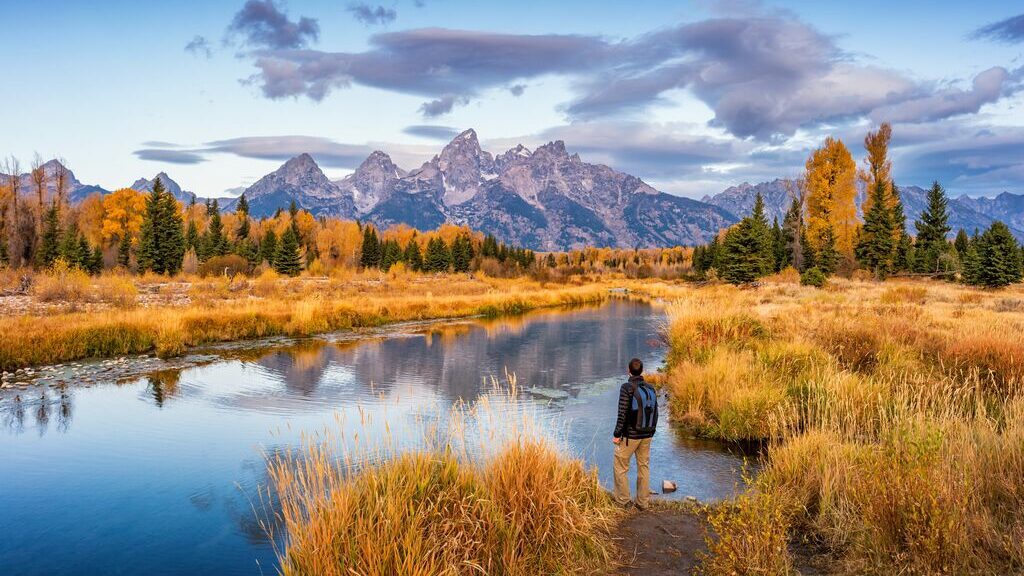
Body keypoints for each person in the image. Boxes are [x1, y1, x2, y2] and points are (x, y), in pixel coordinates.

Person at [613, 357, 658, 509]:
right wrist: (651, 432)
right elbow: (656, 412)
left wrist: (617, 434)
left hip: (630, 436)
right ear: (642, 371)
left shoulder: (626, 387)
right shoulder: (651, 388)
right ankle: (643, 503)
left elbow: (622, 413)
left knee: (620, 466)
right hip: (647, 434)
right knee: (643, 466)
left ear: (629, 371)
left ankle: (623, 501)